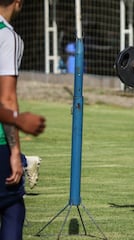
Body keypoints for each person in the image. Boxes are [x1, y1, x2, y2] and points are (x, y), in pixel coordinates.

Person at [0, 0, 45, 239]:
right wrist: (16, 153)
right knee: (12, 208)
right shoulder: (8, 37)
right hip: (0, 142)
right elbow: (7, 98)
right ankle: (28, 159)